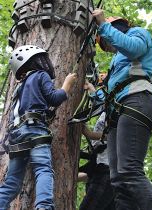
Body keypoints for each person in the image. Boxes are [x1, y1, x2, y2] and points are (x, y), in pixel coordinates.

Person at [91, 9, 152, 210]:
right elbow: (108, 95)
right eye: (105, 46)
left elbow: (133, 48)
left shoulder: (138, 33)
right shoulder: (117, 63)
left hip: (137, 102)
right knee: (118, 181)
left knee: (130, 171)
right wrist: (91, 92)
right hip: (118, 113)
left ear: (117, 28)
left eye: (107, 42)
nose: (110, 47)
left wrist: (102, 26)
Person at [0, 45, 77, 210]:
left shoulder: (19, 88)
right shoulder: (40, 75)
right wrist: (66, 85)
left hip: (16, 135)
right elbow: (53, 98)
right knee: (43, 169)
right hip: (35, 130)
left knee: (12, 183)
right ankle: (43, 207)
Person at [79, 110, 115, 210]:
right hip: (102, 173)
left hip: (109, 173)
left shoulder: (117, 108)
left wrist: (90, 134)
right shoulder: (104, 113)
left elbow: (119, 135)